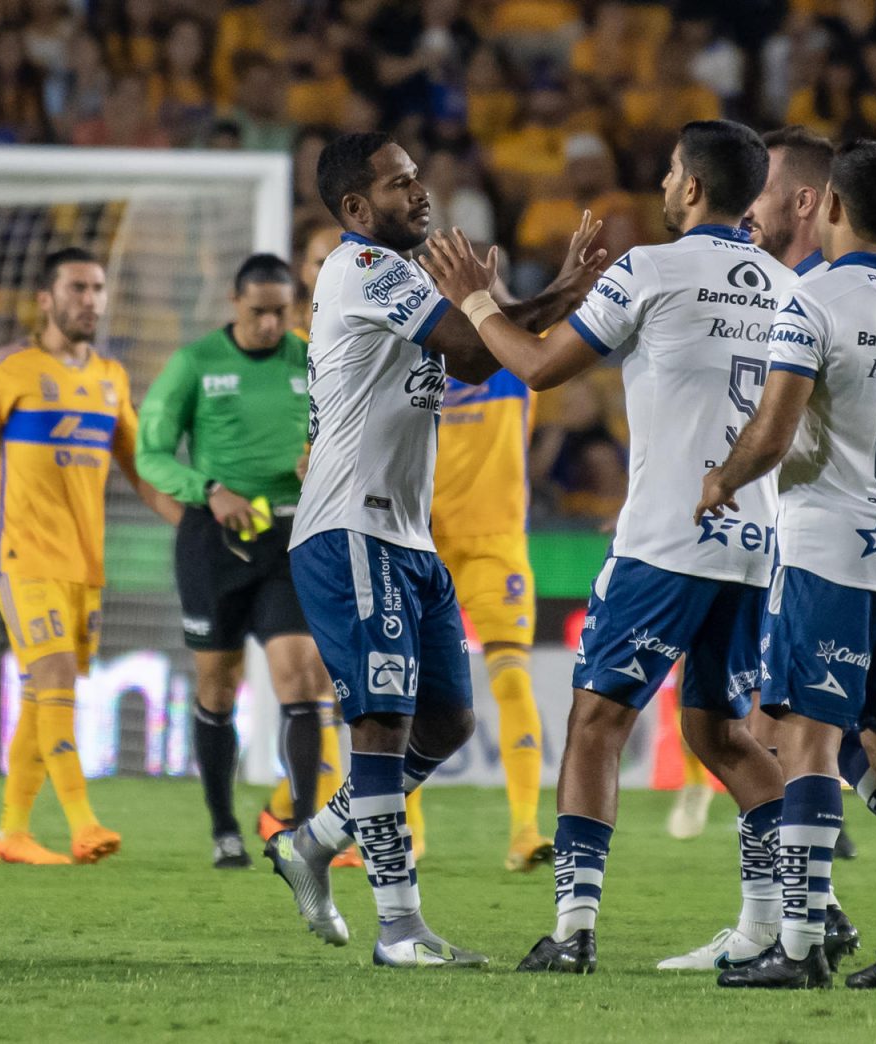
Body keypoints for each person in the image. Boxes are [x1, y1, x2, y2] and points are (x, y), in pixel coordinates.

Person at [421, 120, 806, 977]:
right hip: (753, 544)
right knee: (723, 734)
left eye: (671, 172)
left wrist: (479, 300)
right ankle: (790, 922)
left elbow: (538, 367)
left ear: (696, 189)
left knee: (596, 722)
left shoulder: (652, 268)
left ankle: (573, 930)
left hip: (665, 540)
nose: (664, 186)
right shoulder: (789, 287)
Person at [261, 131, 604, 967]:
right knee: (380, 722)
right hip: (351, 527)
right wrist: (505, 301)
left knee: (445, 721)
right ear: (354, 208)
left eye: (418, 179)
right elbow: (477, 349)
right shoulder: (360, 269)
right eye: (399, 183)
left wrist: (558, 291)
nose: (421, 193)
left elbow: (485, 347)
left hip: (406, 535)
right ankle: (400, 928)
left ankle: (313, 841)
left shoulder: (404, 276)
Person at [696, 140, 876, 990]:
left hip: (823, 553)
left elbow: (774, 433)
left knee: (809, 741)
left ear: (830, 207)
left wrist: (721, 479)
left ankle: (796, 945)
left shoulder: (811, 301)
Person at [0, 247, 181, 866]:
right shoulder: (3, 368)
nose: (89, 300)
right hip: (22, 556)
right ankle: (83, 823)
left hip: (84, 565)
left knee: (45, 696)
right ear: (46, 299)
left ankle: (11, 832)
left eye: (97, 289)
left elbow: (140, 470)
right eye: (76, 288)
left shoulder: (110, 378)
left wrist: (190, 522)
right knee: (55, 678)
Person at [135, 253, 346, 870]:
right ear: (234, 303)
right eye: (258, 312)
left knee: (302, 676)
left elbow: (344, 430)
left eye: (281, 312)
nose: (270, 324)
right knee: (217, 685)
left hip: (288, 541)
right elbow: (151, 453)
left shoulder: (310, 357)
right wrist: (206, 489)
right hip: (216, 543)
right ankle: (224, 826)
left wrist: (321, 458)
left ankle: (308, 832)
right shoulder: (195, 364)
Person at [427, 317, 553, 873]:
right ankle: (407, 835)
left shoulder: (513, 359)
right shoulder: (415, 355)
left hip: (495, 545)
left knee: (510, 679)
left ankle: (525, 830)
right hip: (420, 539)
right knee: (404, 689)